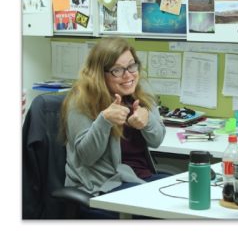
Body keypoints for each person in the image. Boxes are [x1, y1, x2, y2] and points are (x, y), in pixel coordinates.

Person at [61, 38, 168, 218]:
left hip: (141, 177)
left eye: (132, 66)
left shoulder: (142, 93)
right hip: (104, 184)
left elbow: (157, 140)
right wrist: (104, 121)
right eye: (117, 70)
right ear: (99, 74)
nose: (128, 76)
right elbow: (86, 157)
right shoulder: (81, 101)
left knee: (186, 195)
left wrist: (147, 121)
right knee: (155, 209)